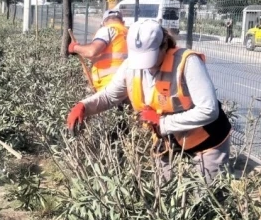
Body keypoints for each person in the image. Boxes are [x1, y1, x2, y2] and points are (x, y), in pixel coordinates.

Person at [66, 19, 232, 183]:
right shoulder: (130, 66)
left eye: (150, 57)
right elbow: (109, 96)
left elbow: (208, 110)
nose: (146, 66)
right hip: (168, 141)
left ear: (164, 45)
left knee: (204, 197)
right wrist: (84, 106)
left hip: (207, 139)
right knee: (164, 192)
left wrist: (163, 122)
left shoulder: (187, 63)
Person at [68, 9, 129, 91]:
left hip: (109, 86)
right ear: (123, 22)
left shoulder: (108, 30)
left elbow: (92, 51)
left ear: (103, 23)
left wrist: (74, 47)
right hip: (128, 85)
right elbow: (106, 57)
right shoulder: (129, 33)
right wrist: (81, 50)